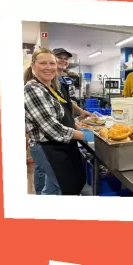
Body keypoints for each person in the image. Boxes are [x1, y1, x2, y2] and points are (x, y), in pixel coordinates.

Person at [25, 48, 94, 195]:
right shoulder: (33, 89)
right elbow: (50, 127)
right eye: (43, 63)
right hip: (47, 147)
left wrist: (75, 125)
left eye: (52, 63)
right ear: (33, 66)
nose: (49, 67)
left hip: (60, 145)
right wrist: (84, 136)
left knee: (52, 188)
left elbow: (62, 113)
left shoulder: (50, 86)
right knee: (61, 188)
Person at [52, 48, 92, 120]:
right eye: (59, 57)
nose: (63, 60)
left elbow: (66, 100)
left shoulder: (62, 79)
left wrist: (81, 111)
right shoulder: (50, 80)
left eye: (66, 58)